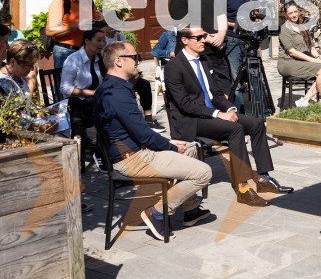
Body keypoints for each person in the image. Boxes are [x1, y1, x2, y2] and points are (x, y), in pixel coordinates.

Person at [93, 41, 213, 241]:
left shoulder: (112, 87)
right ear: (119, 61)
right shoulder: (117, 94)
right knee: (203, 173)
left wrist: (173, 144)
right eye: (135, 57)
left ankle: (190, 210)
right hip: (132, 159)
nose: (138, 61)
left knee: (189, 149)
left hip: (134, 151)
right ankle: (156, 213)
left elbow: (140, 132)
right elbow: (144, 135)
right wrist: (170, 145)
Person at [164, 25, 293, 206]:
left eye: (205, 36)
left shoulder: (204, 62)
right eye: (198, 38)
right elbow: (185, 104)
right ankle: (243, 188)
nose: (204, 40)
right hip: (191, 121)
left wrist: (230, 109)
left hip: (210, 114)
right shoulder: (173, 67)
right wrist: (218, 114)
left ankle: (263, 178)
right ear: (185, 40)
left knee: (256, 124)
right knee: (235, 129)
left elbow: (215, 94)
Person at [168, 0, 231, 95]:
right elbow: (184, 27)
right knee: (203, 93)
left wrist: (220, 35)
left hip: (216, 52)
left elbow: (221, 16)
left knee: (224, 91)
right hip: (196, 54)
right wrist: (209, 39)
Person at [60, 28, 106, 156]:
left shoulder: (98, 59)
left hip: (93, 101)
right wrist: (90, 93)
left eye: (104, 41)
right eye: (98, 40)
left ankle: (106, 149)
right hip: (77, 103)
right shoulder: (73, 59)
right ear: (87, 41)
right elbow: (64, 88)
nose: (102, 44)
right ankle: (96, 152)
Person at [277, 1, 321, 106]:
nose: (294, 15)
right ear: (286, 15)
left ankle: (304, 101)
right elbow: (292, 52)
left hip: (302, 61)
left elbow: (311, 47)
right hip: (287, 62)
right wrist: (314, 60)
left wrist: (318, 56)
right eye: (290, 13)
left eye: (295, 11)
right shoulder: (284, 29)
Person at [223, 0, 261, 110]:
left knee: (256, 77)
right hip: (233, 38)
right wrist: (236, 25)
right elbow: (219, 19)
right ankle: (240, 113)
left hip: (250, 38)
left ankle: (260, 111)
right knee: (236, 78)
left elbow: (256, 12)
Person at [45, 0, 95, 68]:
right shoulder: (62, 0)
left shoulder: (89, 1)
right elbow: (50, 31)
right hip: (65, 51)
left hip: (85, 51)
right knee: (65, 84)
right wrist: (76, 26)